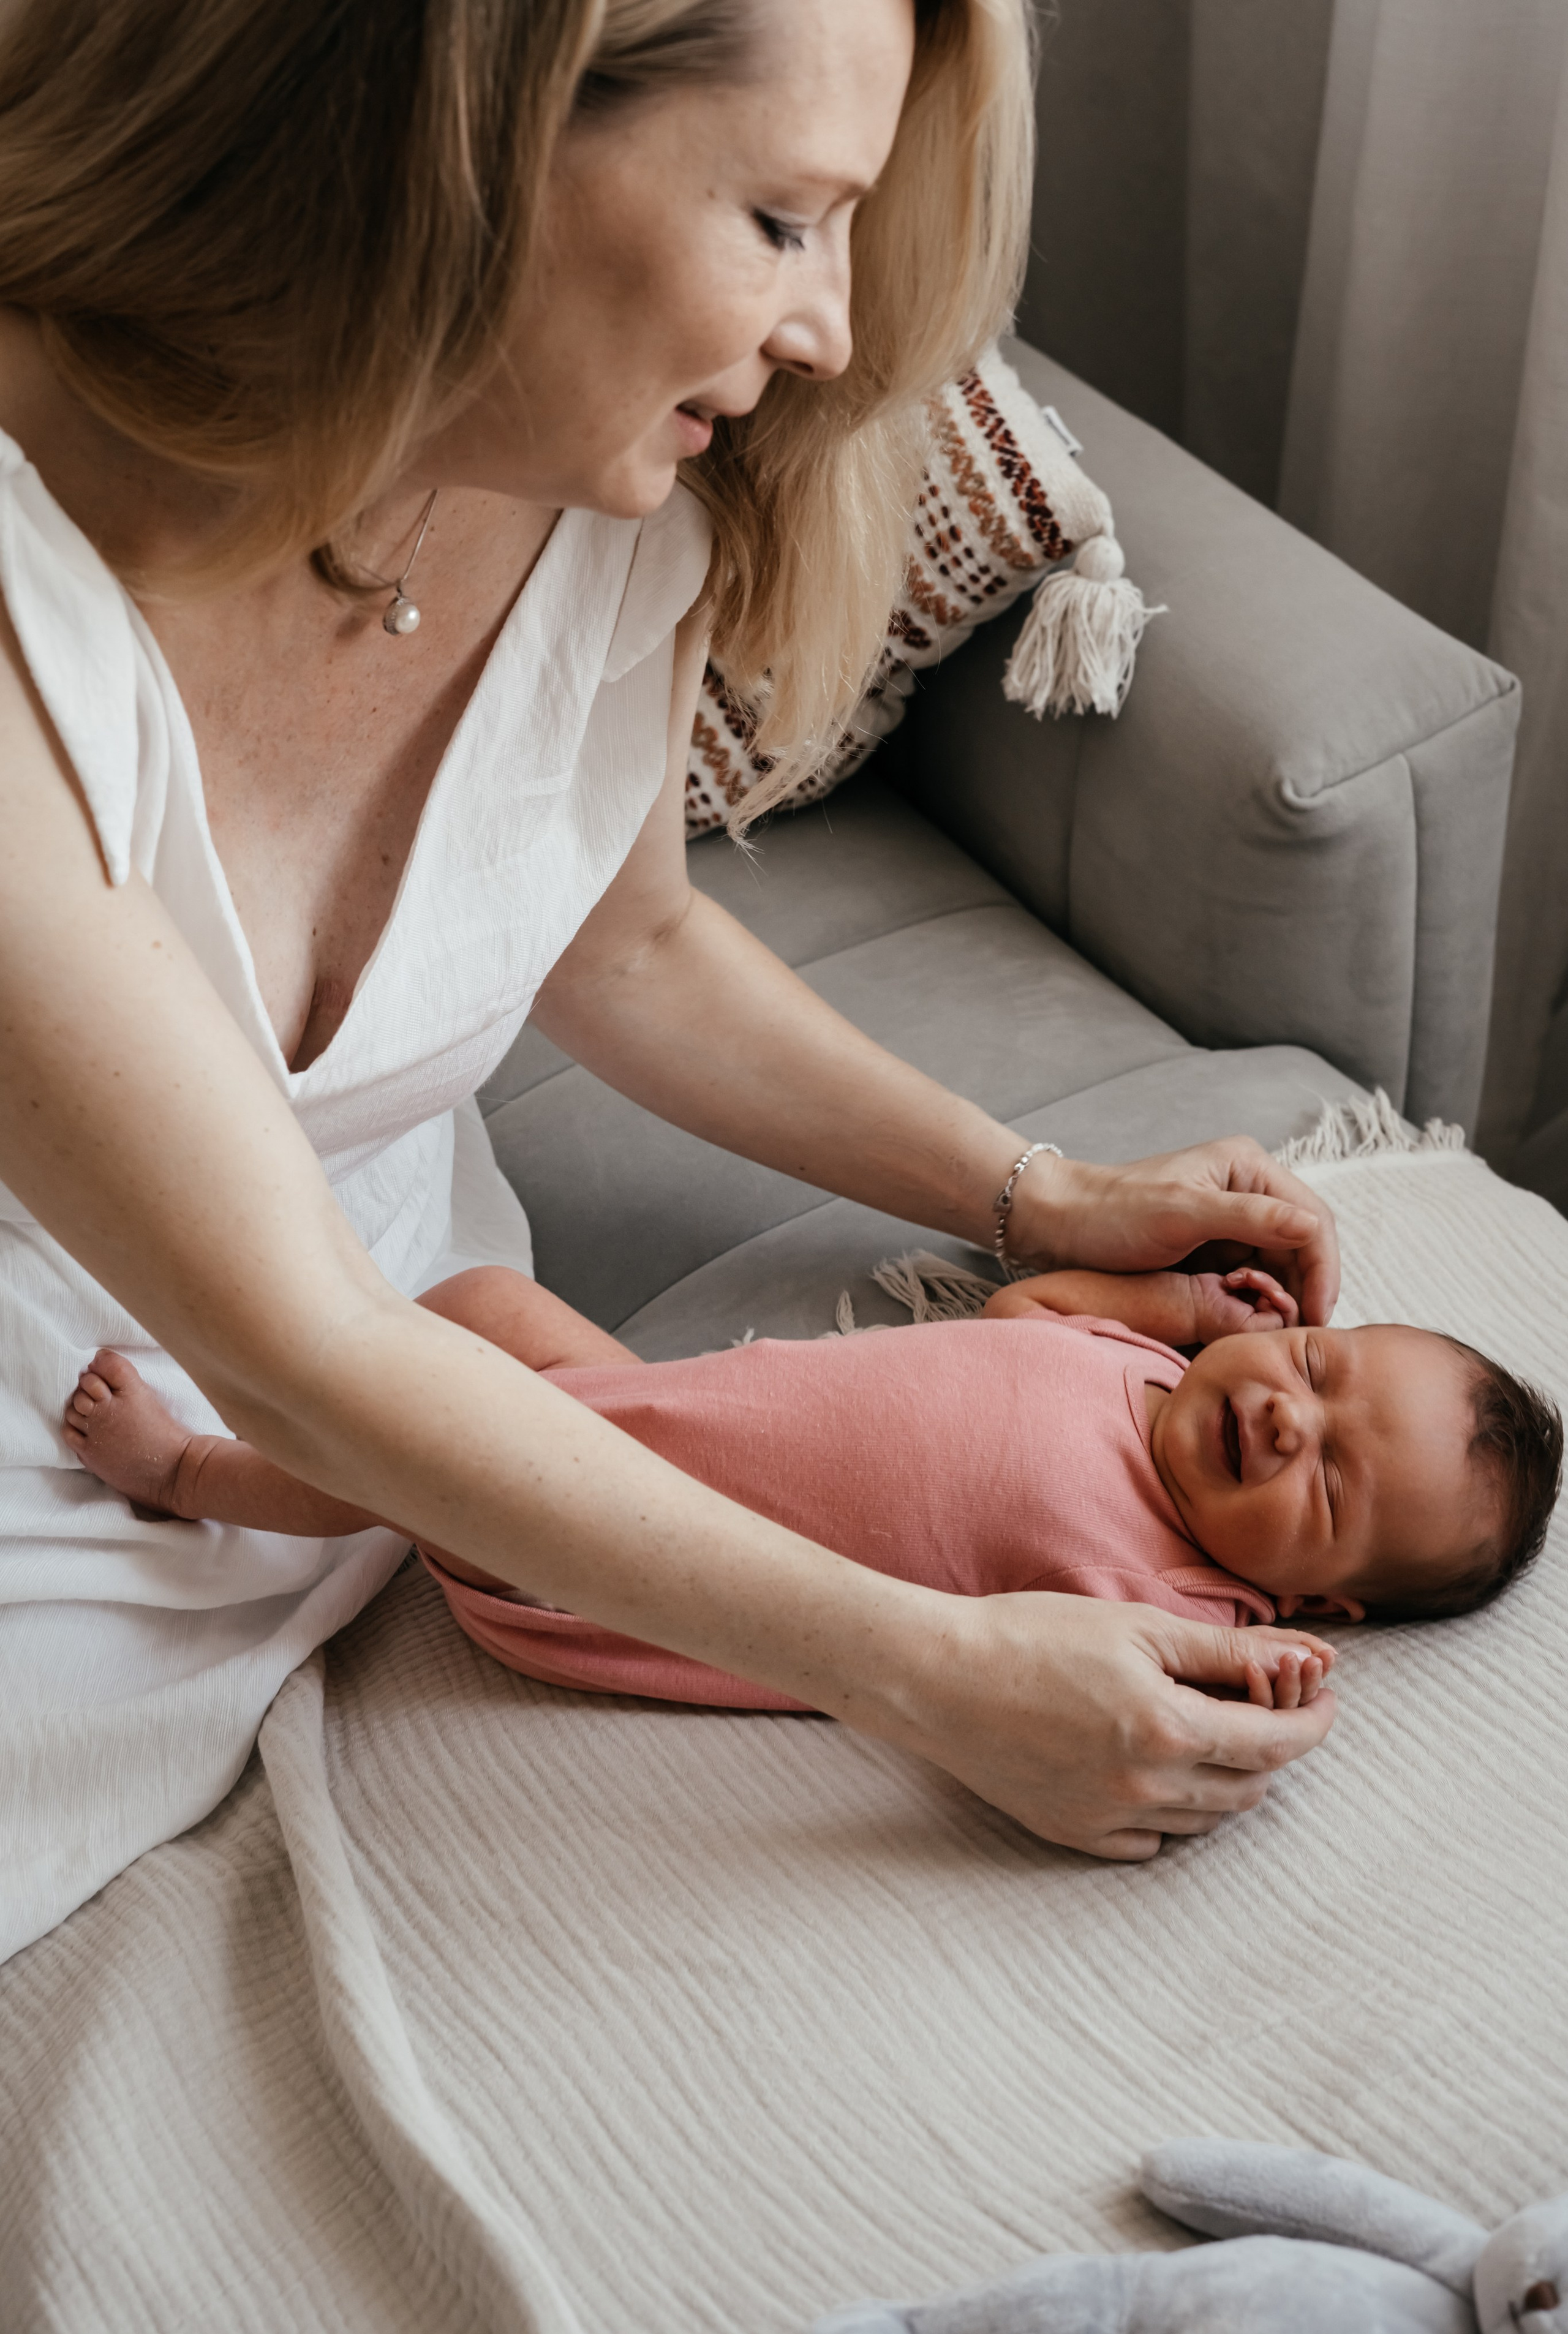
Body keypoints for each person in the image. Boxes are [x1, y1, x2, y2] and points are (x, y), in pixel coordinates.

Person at [0, 0, 1343, 1961]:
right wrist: (937, 1671)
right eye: (787, 218)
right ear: (462, 133)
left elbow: (627, 941)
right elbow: (305, 1352)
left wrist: (1031, 1194)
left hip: (411, 1387)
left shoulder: (590, 482)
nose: (834, 330)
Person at [61, 1260, 1561, 1714]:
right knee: (478, 1308)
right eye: (1315, 1368)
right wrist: (1162, 1304)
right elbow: (1016, 1321)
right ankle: (285, 1381)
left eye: (1329, 1486)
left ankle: (195, 1469)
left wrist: (1258, 1676)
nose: (1289, 1422)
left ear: (1312, 1597)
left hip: (612, 1553)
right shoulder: (1136, 1364)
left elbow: (1137, 1678)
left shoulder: (1175, 1592)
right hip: (661, 1406)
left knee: (422, 1441)